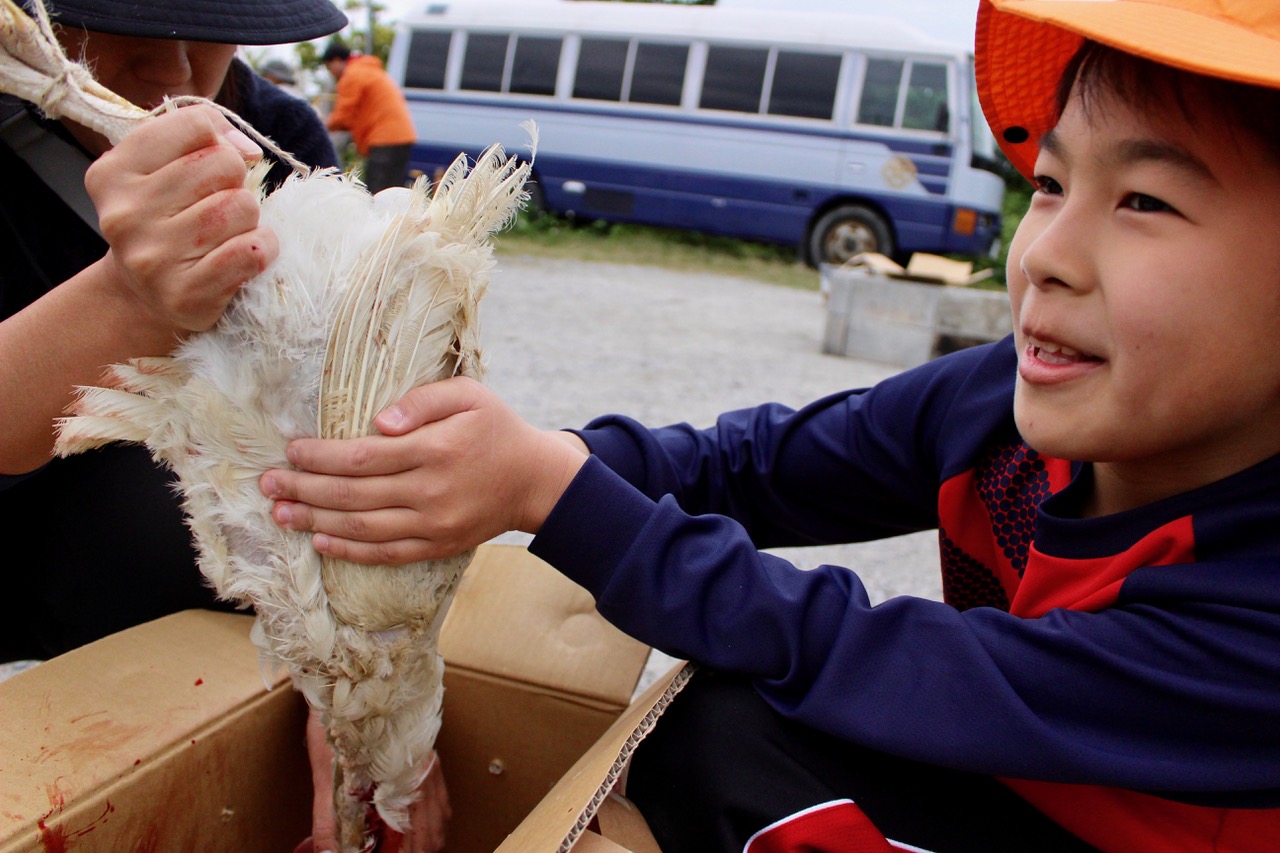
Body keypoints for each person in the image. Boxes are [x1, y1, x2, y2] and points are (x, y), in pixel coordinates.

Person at [258, 0, 1280, 849]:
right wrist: (541, 457)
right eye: (1050, 184)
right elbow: (757, 467)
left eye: (1142, 200)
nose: (1043, 254)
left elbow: (885, 662)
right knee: (722, 725)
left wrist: (547, 494)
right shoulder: (992, 408)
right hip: (1026, 789)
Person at [0, 1, 446, 851]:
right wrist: (123, 303)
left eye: (209, 23)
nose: (172, 72)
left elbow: (333, 423)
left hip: (181, 584)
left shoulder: (273, 133)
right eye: (113, 21)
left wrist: (351, 675)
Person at [320, 40, 416, 194]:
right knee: (394, 193)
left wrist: (321, 126)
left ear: (337, 60)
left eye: (329, 66)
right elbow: (352, 117)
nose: (331, 72)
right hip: (402, 136)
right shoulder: (368, 70)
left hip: (384, 139)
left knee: (376, 194)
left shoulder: (352, 75)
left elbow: (343, 115)